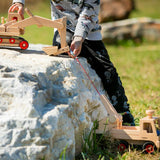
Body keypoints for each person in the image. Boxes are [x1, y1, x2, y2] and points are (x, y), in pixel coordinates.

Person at [9, 0, 135, 125]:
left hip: (90, 33)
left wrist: (79, 37)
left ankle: (124, 113)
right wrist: (19, 3)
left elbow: (89, 10)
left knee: (108, 71)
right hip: (63, 30)